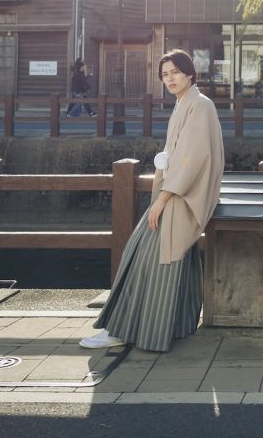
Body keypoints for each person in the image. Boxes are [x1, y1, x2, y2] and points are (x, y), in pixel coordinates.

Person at [80, 49, 225, 351]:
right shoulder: (186, 103)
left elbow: (192, 158)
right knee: (156, 258)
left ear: (189, 73)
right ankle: (173, 326)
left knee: (144, 256)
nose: (170, 79)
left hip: (181, 196)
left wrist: (161, 200)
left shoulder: (199, 105)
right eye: (165, 75)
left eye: (175, 72)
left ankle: (122, 331)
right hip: (176, 193)